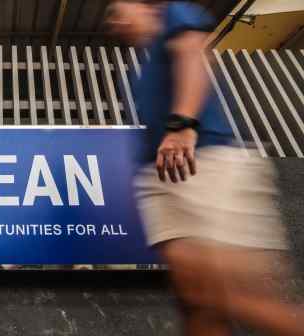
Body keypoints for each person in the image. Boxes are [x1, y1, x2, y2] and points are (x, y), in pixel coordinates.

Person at [106, 1, 303, 335]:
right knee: (197, 306)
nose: (114, 22)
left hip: (206, 164)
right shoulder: (136, 75)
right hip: (165, 180)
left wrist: (183, 124)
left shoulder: (175, 14)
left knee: (232, 297)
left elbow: (192, 57)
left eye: (118, 9)